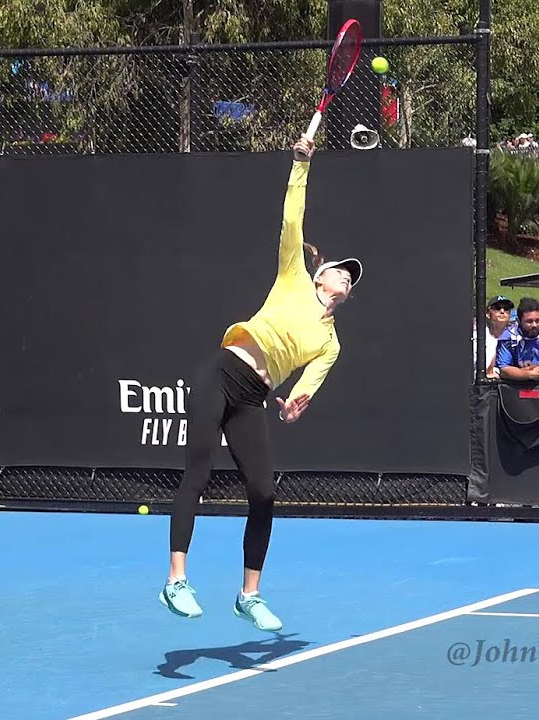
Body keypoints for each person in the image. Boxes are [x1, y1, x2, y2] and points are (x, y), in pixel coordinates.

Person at [160, 135, 362, 632]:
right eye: (343, 271)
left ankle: (249, 594)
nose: (347, 279)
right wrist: (301, 163)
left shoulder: (330, 343)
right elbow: (292, 218)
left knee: (264, 492)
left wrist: (295, 404)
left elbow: (307, 384)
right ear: (322, 274)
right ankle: (176, 580)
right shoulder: (293, 275)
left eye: (353, 281)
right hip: (222, 372)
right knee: (198, 475)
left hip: (254, 396)